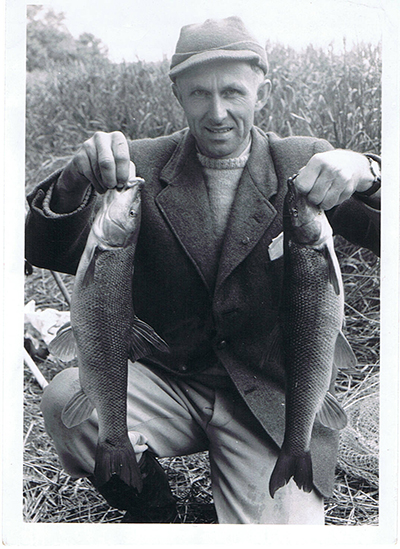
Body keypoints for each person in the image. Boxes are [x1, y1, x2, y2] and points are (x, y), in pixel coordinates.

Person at [25, 16, 380, 524]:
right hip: (172, 380)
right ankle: (154, 511)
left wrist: (371, 173)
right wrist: (72, 182)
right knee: (67, 401)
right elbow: (43, 249)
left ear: (263, 89)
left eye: (233, 91)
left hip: (268, 399)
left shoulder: (306, 162)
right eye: (199, 94)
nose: (217, 112)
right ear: (178, 96)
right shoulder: (141, 166)